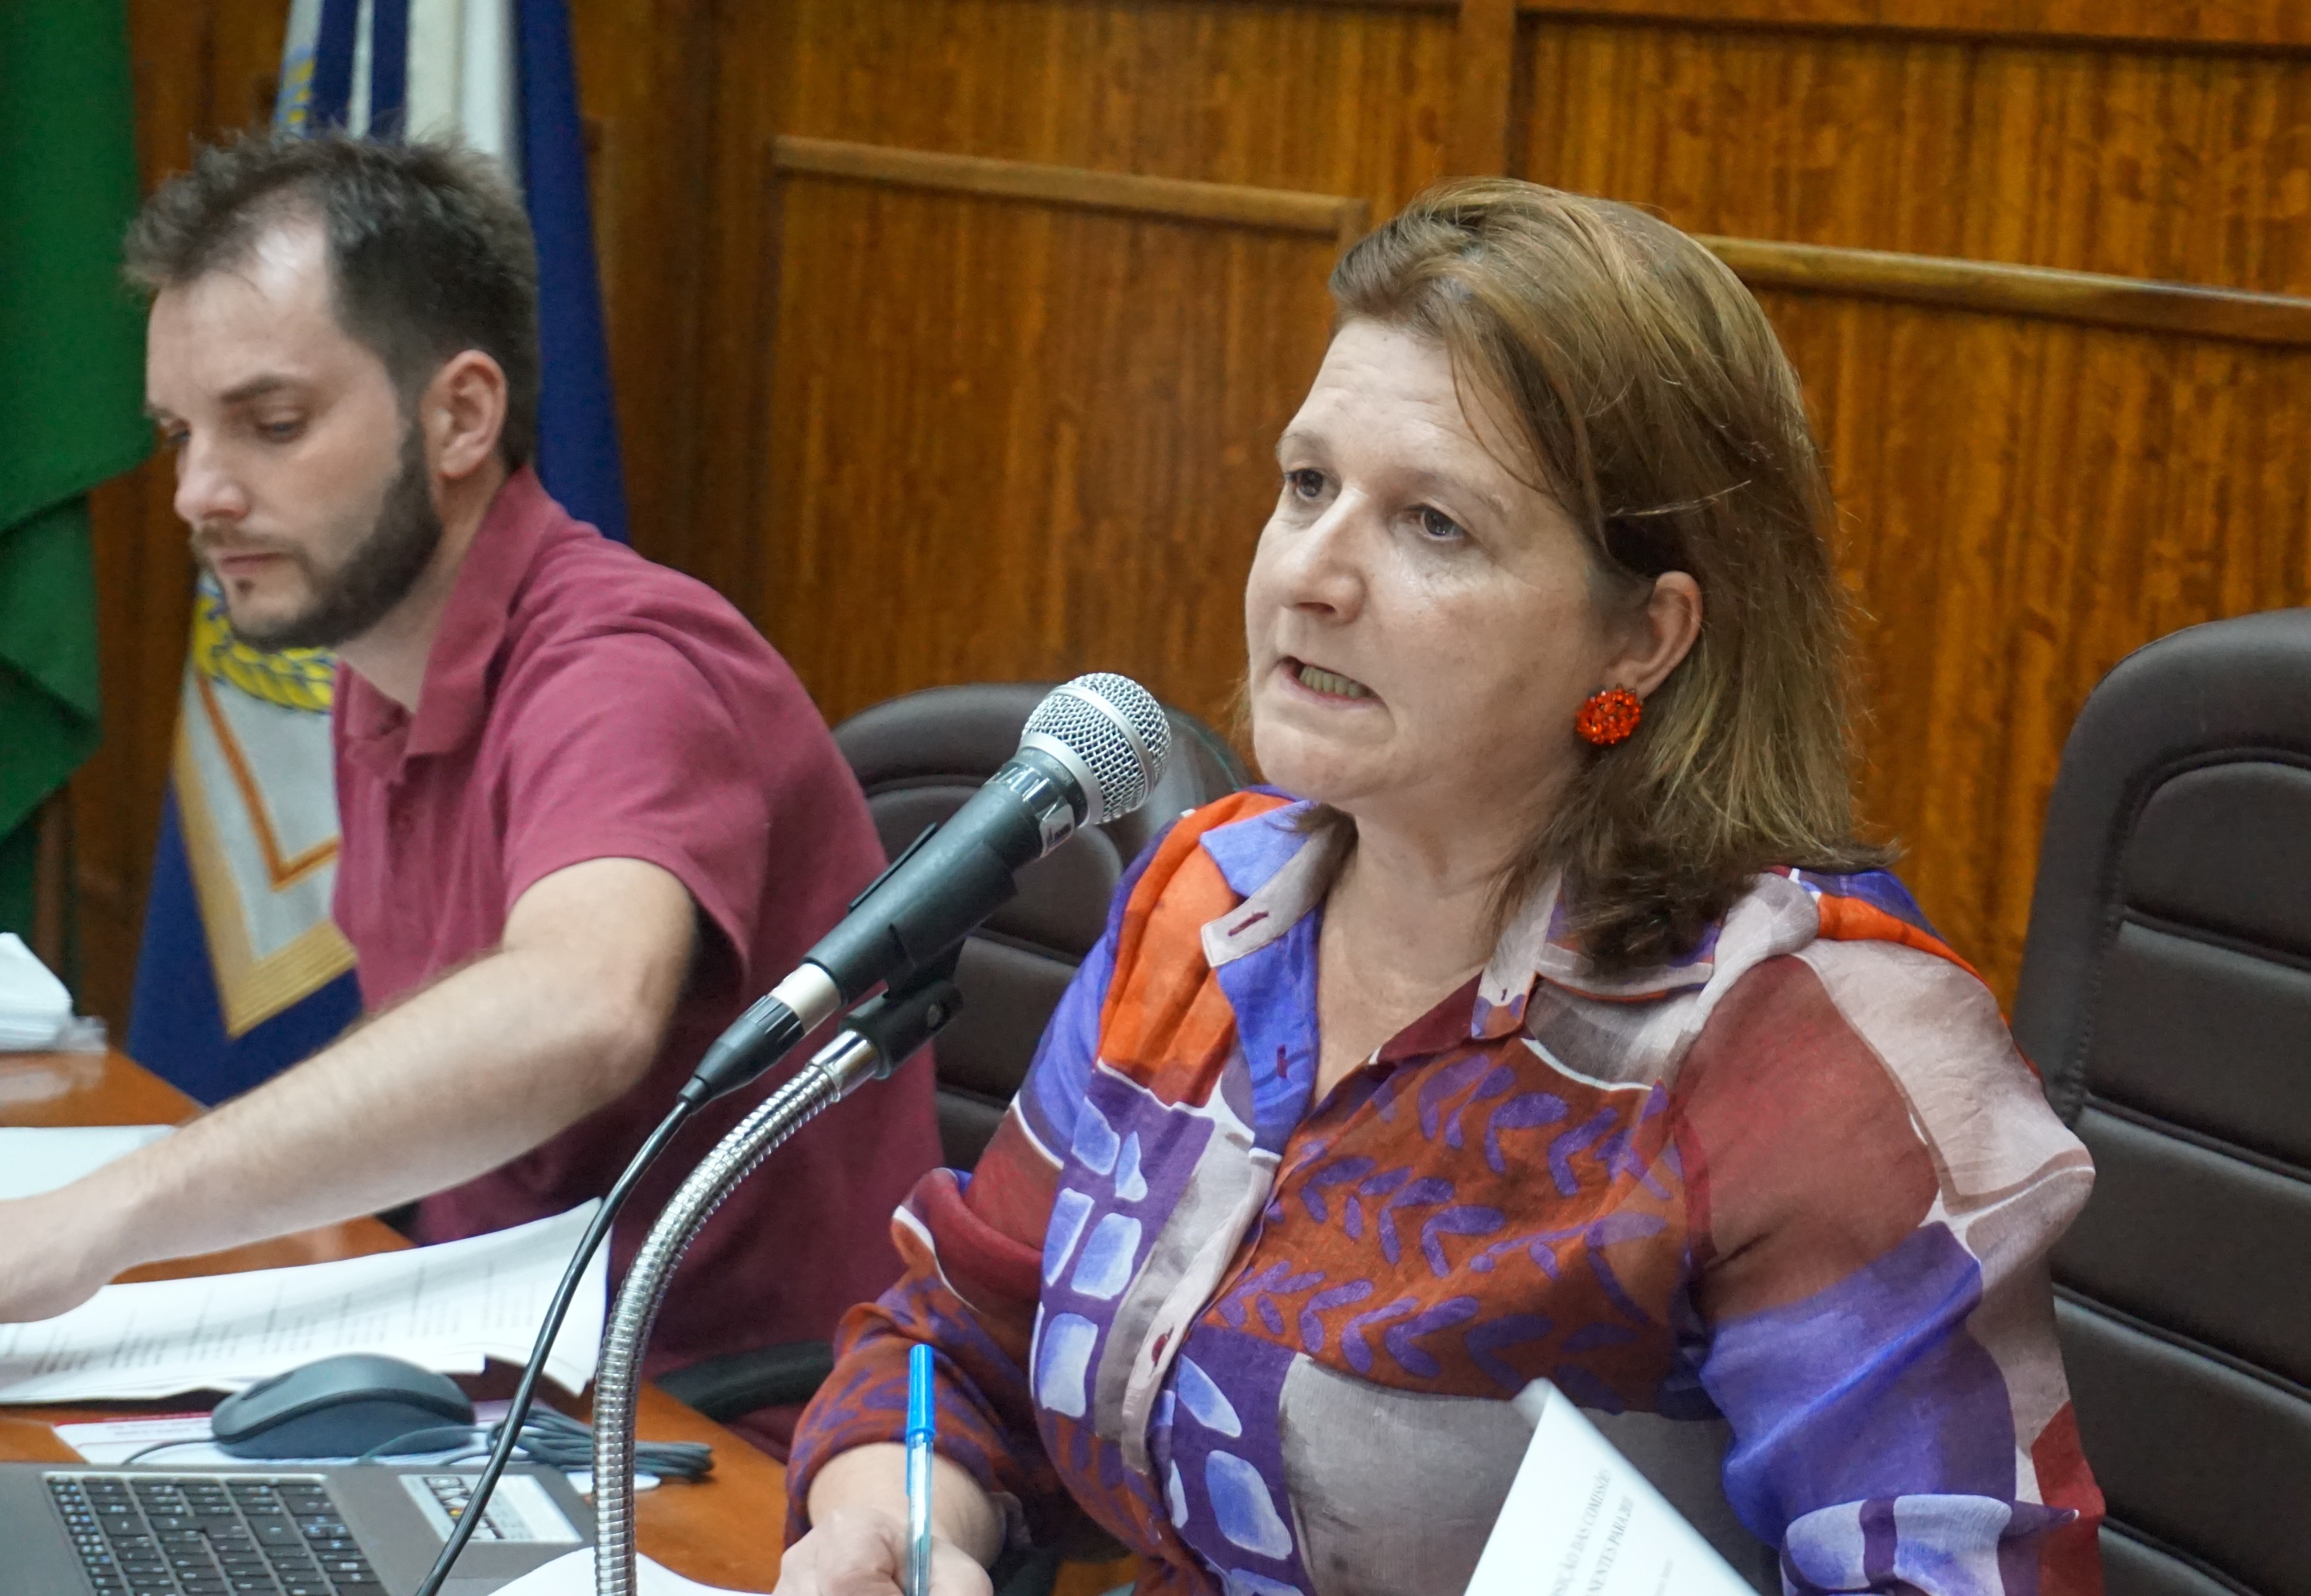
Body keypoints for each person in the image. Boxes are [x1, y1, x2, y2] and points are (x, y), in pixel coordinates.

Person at [774, 180, 2105, 1593]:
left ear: (1642, 639)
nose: (1311, 573)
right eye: (1307, 485)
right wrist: (894, 1521)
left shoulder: (1801, 1054)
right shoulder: (1205, 902)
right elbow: (958, 1341)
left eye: (1433, 524)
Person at [0, 133, 941, 1455]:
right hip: (488, 1383)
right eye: (178, 434)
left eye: (272, 424)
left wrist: (102, 1213)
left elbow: (579, 1004)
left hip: (719, 1450)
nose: (198, 494)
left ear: (459, 416)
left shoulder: (624, 666)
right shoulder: (376, 658)